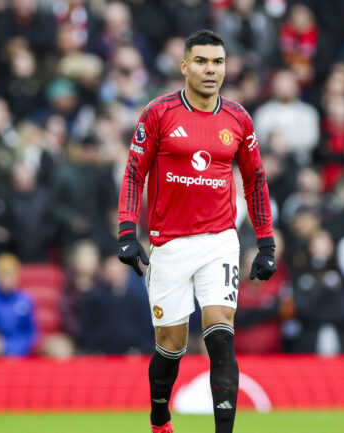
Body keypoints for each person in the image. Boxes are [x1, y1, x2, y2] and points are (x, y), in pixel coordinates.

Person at [117, 30, 275, 433]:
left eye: (218, 62)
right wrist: (126, 231)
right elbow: (135, 172)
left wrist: (266, 242)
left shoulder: (238, 118)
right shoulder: (159, 112)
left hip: (219, 241)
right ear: (185, 65)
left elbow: (255, 181)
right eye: (202, 61)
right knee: (170, 346)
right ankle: (159, 419)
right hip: (168, 245)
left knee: (221, 334)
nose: (211, 70)